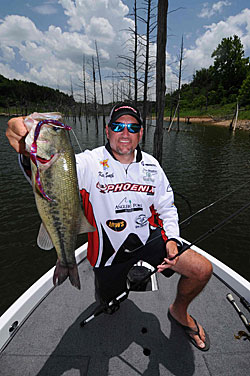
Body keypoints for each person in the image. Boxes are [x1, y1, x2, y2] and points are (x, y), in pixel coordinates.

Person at [6, 103, 213, 351]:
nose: (125, 133)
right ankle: (104, 291)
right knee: (109, 303)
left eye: (132, 127)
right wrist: (25, 149)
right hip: (108, 254)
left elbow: (167, 208)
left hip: (148, 241)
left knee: (202, 270)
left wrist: (172, 240)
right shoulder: (88, 162)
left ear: (140, 134)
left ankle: (179, 311)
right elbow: (50, 174)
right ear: (107, 131)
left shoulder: (152, 166)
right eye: (117, 126)